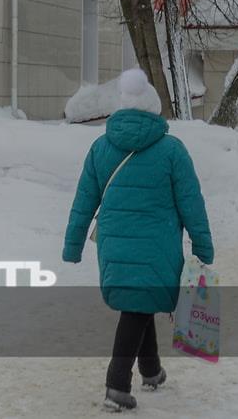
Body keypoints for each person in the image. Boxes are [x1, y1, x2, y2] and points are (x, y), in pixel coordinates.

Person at [62, 68, 214, 412]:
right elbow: (191, 203)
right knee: (137, 306)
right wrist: (203, 246)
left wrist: (73, 244)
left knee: (138, 301)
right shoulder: (172, 151)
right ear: (152, 108)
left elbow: (84, 200)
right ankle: (116, 386)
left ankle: (151, 370)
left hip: (114, 245)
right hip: (158, 246)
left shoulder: (101, 148)